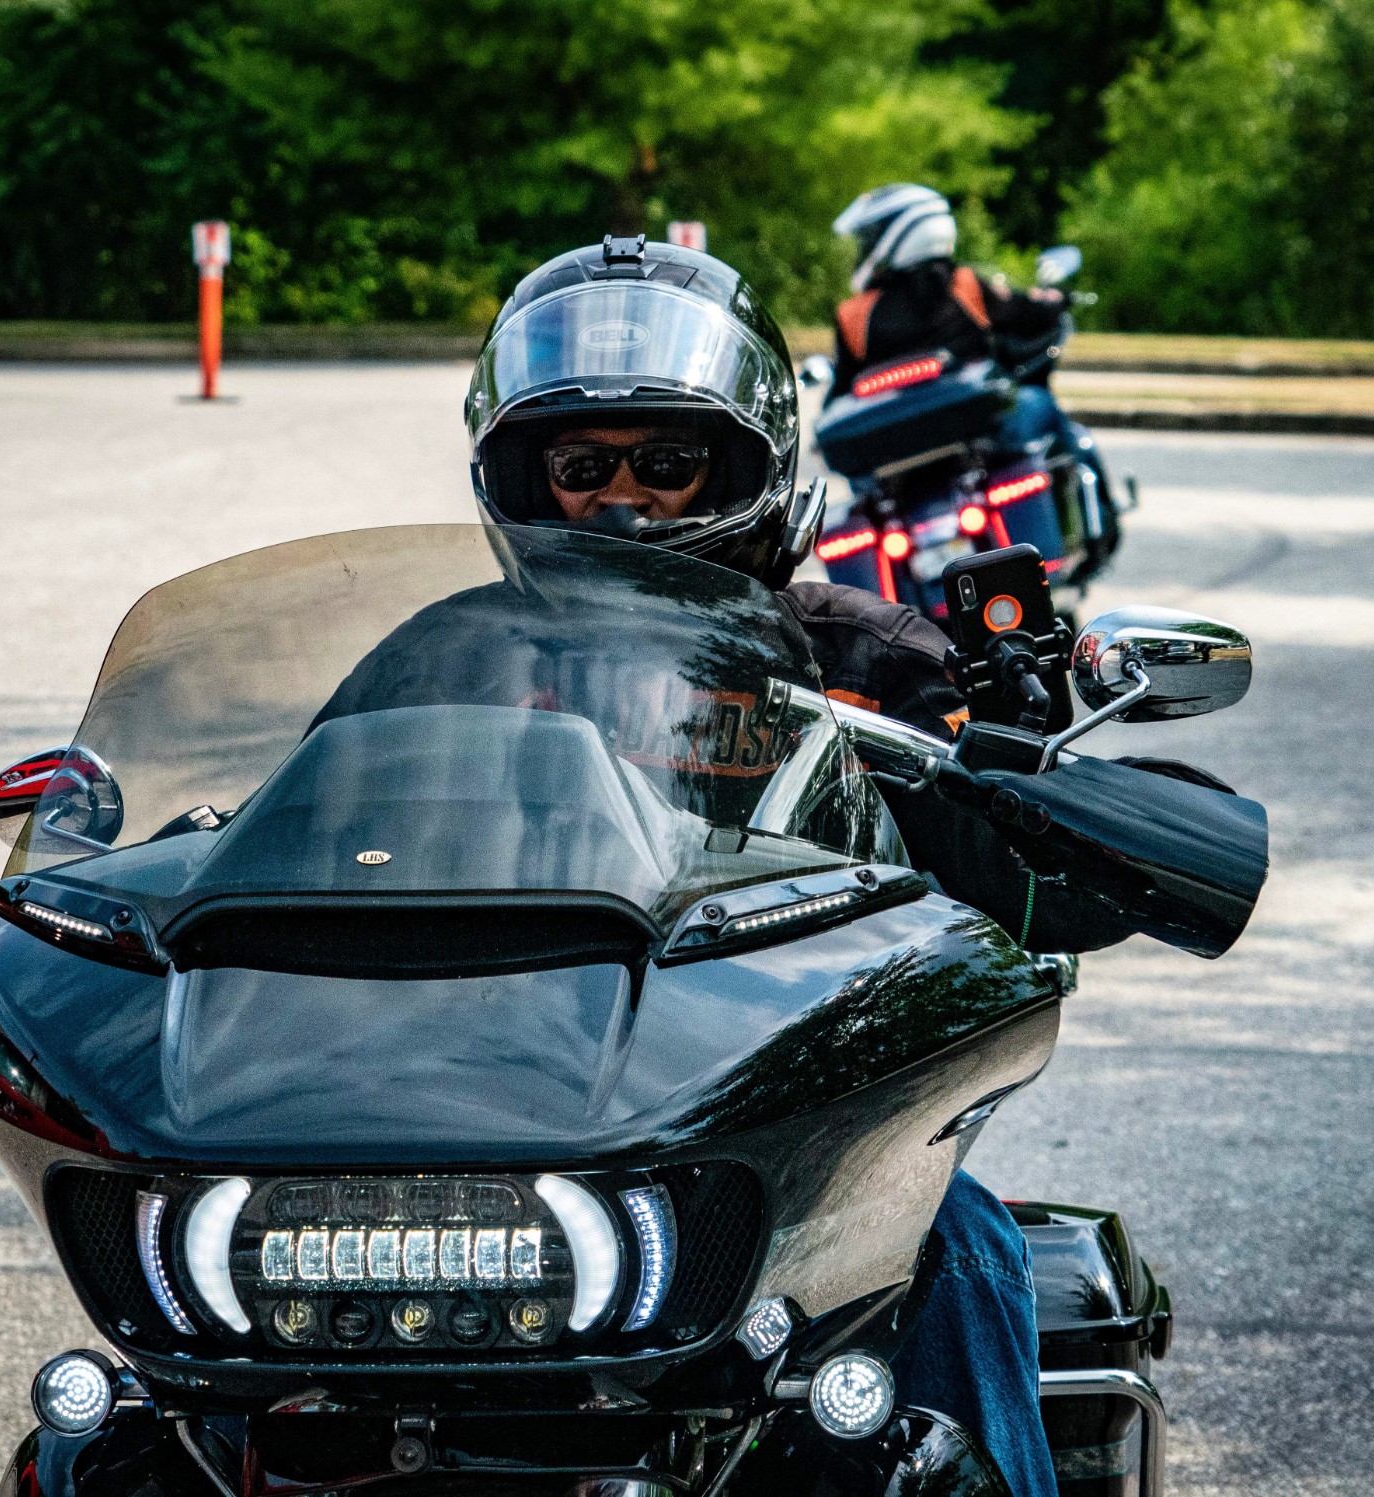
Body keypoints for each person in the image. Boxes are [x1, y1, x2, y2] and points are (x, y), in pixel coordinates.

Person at [463, 233, 1140, 1497]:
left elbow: (1016, 852)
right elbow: (307, 815)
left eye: (667, 463)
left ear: (740, 469)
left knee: (955, 1253)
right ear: (523, 477)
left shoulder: (862, 657)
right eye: (581, 466)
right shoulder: (452, 657)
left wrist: (1040, 798)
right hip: (480, 1103)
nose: (622, 498)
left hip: (787, 1113)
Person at [826, 184, 1075, 455]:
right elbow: (1027, 316)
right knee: (1040, 402)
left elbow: (839, 394)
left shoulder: (853, 313)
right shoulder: (964, 285)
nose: (865, 246)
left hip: (894, 452)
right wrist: (1053, 302)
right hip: (977, 439)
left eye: (869, 238)